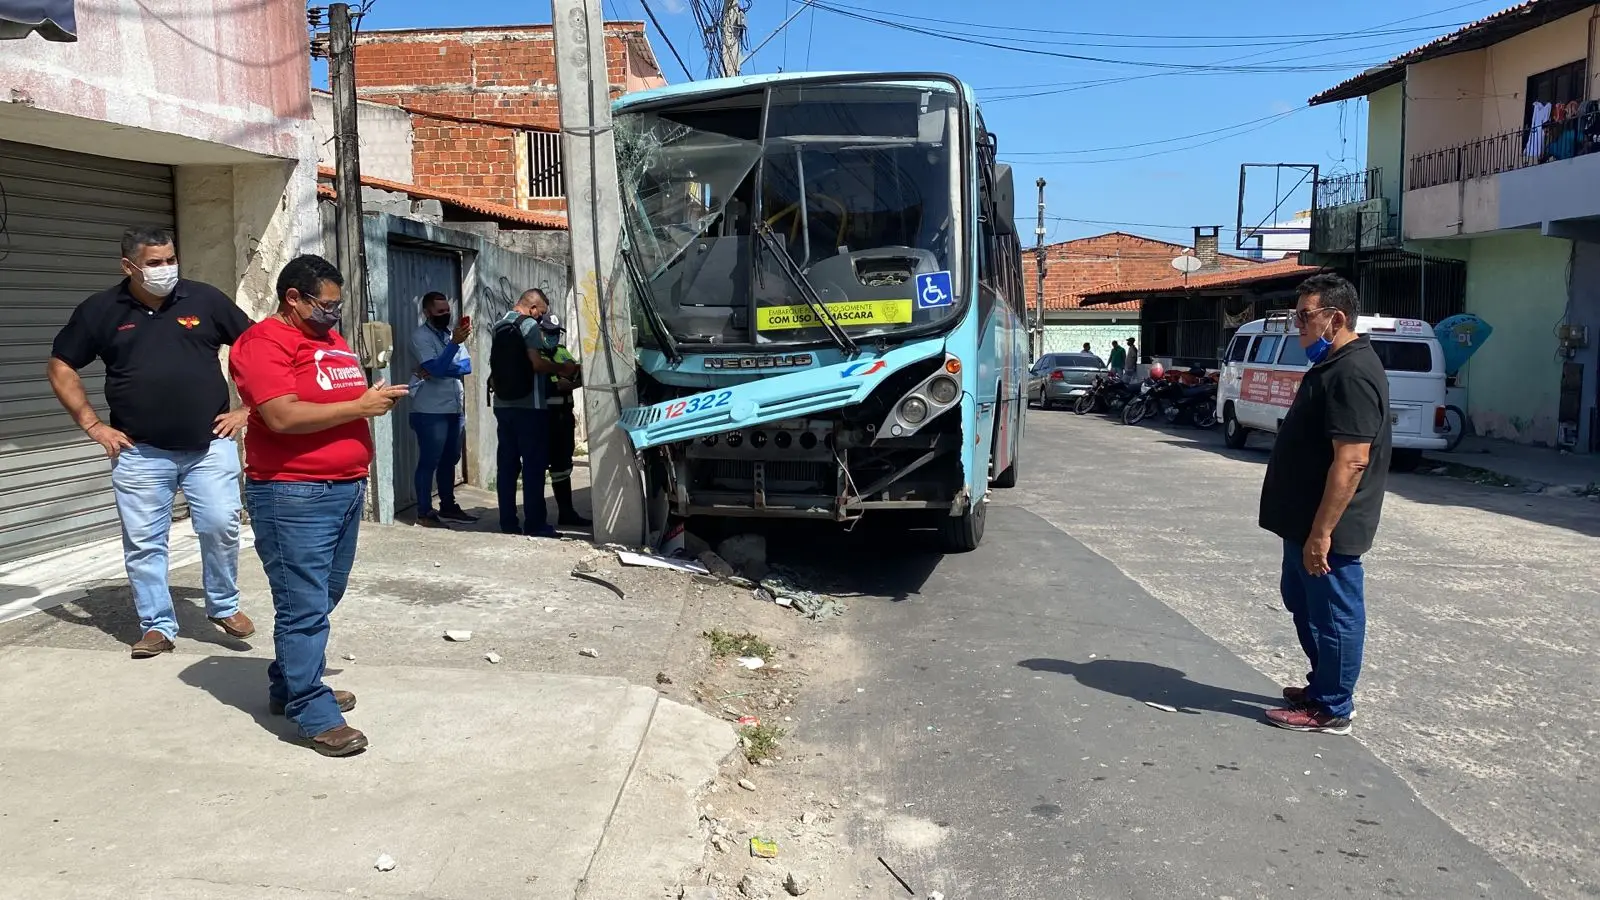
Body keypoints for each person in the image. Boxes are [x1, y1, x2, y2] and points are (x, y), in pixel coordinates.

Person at [47, 226, 256, 659]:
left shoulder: (204, 299)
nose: (166, 270)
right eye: (155, 263)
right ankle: (157, 626)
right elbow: (61, 366)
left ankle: (223, 605)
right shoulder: (101, 310)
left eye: (170, 260)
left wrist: (247, 409)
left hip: (209, 445)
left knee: (220, 525)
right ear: (129, 266)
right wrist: (92, 426)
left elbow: (256, 349)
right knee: (145, 543)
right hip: (139, 452)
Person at [230, 254, 408, 757]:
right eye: (325, 305)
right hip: (294, 493)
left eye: (337, 304)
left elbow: (331, 397)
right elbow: (282, 416)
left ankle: (289, 680)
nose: (334, 313)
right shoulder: (262, 343)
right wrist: (360, 407)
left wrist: (369, 397)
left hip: (345, 487)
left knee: (322, 594)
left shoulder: (327, 338)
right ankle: (312, 709)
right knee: (302, 605)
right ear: (293, 298)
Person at [1258, 273, 1390, 735]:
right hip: (1304, 522)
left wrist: (1321, 533)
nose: (1299, 327)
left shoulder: (1352, 372)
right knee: (1303, 604)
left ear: (1335, 318)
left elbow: (1352, 460)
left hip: (1329, 528)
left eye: (1304, 317)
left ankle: (1333, 707)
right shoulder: (1333, 365)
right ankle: (1322, 688)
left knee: (1333, 614)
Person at [487, 289, 580, 536]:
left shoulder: (499, 325)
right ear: (533, 308)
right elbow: (536, 364)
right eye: (542, 313)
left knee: (507, 466)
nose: (542, 318)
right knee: (533, 467)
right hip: (531, 406)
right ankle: (535, 523)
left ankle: (508, 522)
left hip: (503, 405)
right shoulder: (529, 326)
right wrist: (563, 368)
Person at [408, 291, 475, 526]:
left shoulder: (450, 334)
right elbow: (434, 370)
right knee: (430, 460)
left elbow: (466, 367)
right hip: (430, 410)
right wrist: (452, 348)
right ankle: (424, 512)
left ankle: (448, 505)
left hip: (454, 408)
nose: (445, 315)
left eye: (447, 311)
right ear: (427, 312)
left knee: (451, 458)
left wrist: (439, 366)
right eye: (440, 312)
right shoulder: (421, 337)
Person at [540, 314, 590, 527]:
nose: (552, 337)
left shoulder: (561, 352)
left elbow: (580, 373)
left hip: (563, 417)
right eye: (548, 332)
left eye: (555, 333)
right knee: (538, 464)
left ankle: (566, 512)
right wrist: (558, 382)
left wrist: (572, 384)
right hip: (543, 417)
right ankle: (537, 516)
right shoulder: (535, 355)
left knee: (563, 465)